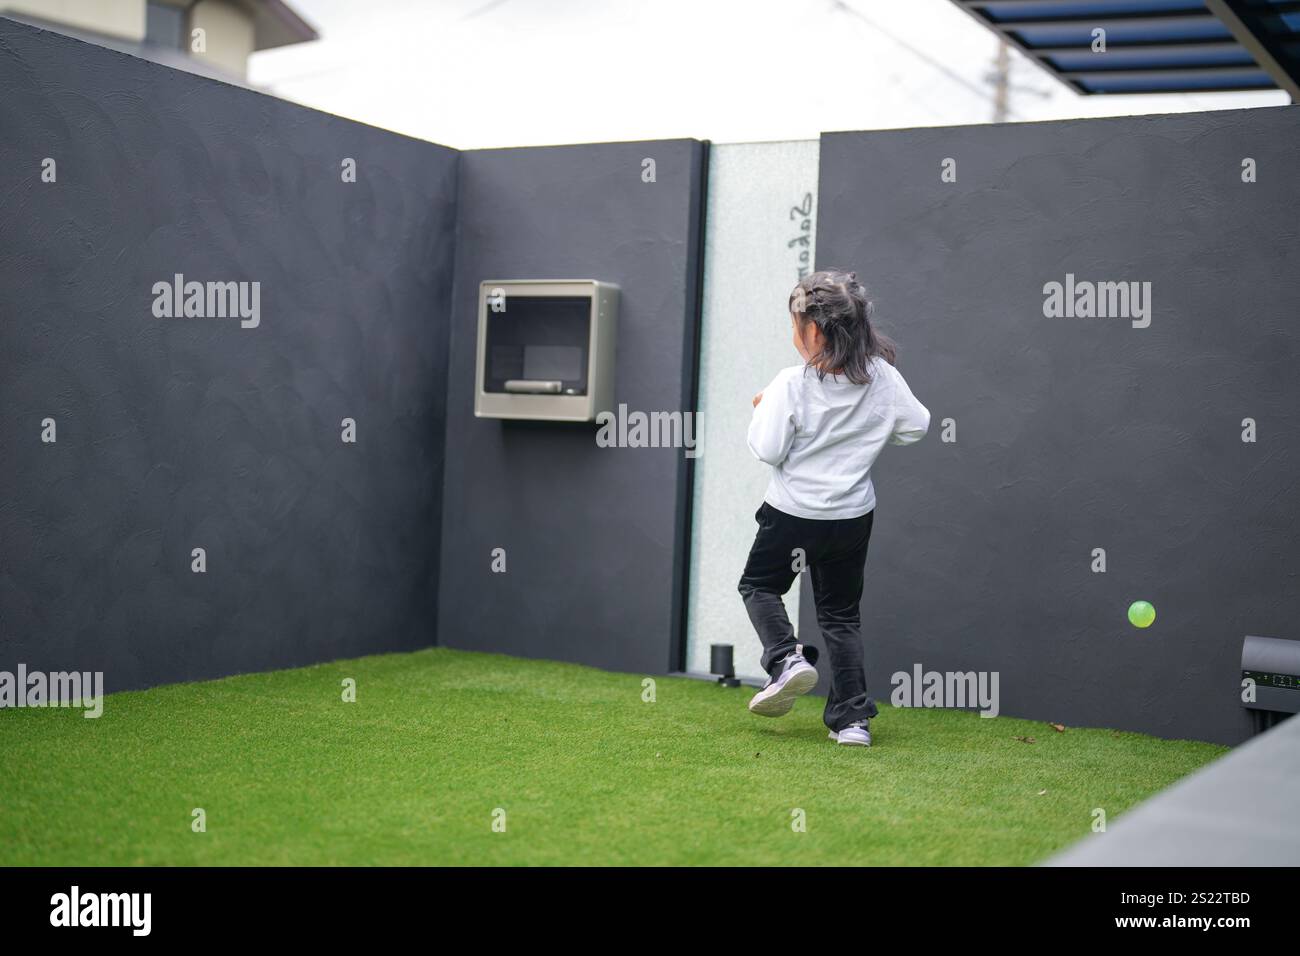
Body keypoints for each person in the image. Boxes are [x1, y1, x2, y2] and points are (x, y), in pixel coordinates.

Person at [739, 269, 930, 746]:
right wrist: (869, 424)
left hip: (791, 514)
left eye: (794, 325)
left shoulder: (791, 383)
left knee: (759, 586)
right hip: (850, 519)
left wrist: (762, 407)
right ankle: (852, 721)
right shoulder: (883, 378)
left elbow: (767, 449)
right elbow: (917, 427)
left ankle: (786, 659)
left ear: (814, 331)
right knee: (841, 616)